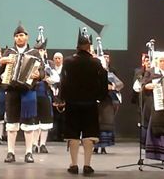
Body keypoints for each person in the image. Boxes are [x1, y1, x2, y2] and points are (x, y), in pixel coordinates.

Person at [60, 29, 108, 175]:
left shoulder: (68, 62)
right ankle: (87, 165)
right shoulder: (96, 62)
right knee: (90, 134)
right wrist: (100, 96)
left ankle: (74, 165)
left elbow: (63, 82)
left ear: (77, 46)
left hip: (72, 104)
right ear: (90, 46)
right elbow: (103, 81)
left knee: (73, 134)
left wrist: (63, 98)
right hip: (90, 103)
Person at [0, 23, 45, 163]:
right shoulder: (8, 53)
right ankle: (10, 152)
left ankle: (29, 152)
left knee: (29, 123)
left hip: (28, 91)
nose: (19, 38)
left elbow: (43, 72)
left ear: (27, 37)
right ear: (14, 38)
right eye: (17, 36)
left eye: (22, 35)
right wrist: (1, 62)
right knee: (11, 123)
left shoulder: (34, 53)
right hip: (12, 90)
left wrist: (38, 75)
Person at [95, 53, 123, 154]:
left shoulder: (110, 75)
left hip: (107, 102)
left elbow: (120, 84)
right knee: (95, 124)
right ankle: (95, 146)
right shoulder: (92, 75)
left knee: (104, 124)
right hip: (95, 102)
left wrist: (113, 87)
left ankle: (103, 147)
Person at [49, 52, 65, 143]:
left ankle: (62, 135)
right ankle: (53, 135)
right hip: (53, 96)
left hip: (62, 97)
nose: (57, 60)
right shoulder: (51, 70)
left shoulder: (65, 70)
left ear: (62, 59)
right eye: (56, 58)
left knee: (63, 118)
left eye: (59, 58)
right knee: (54, 118)